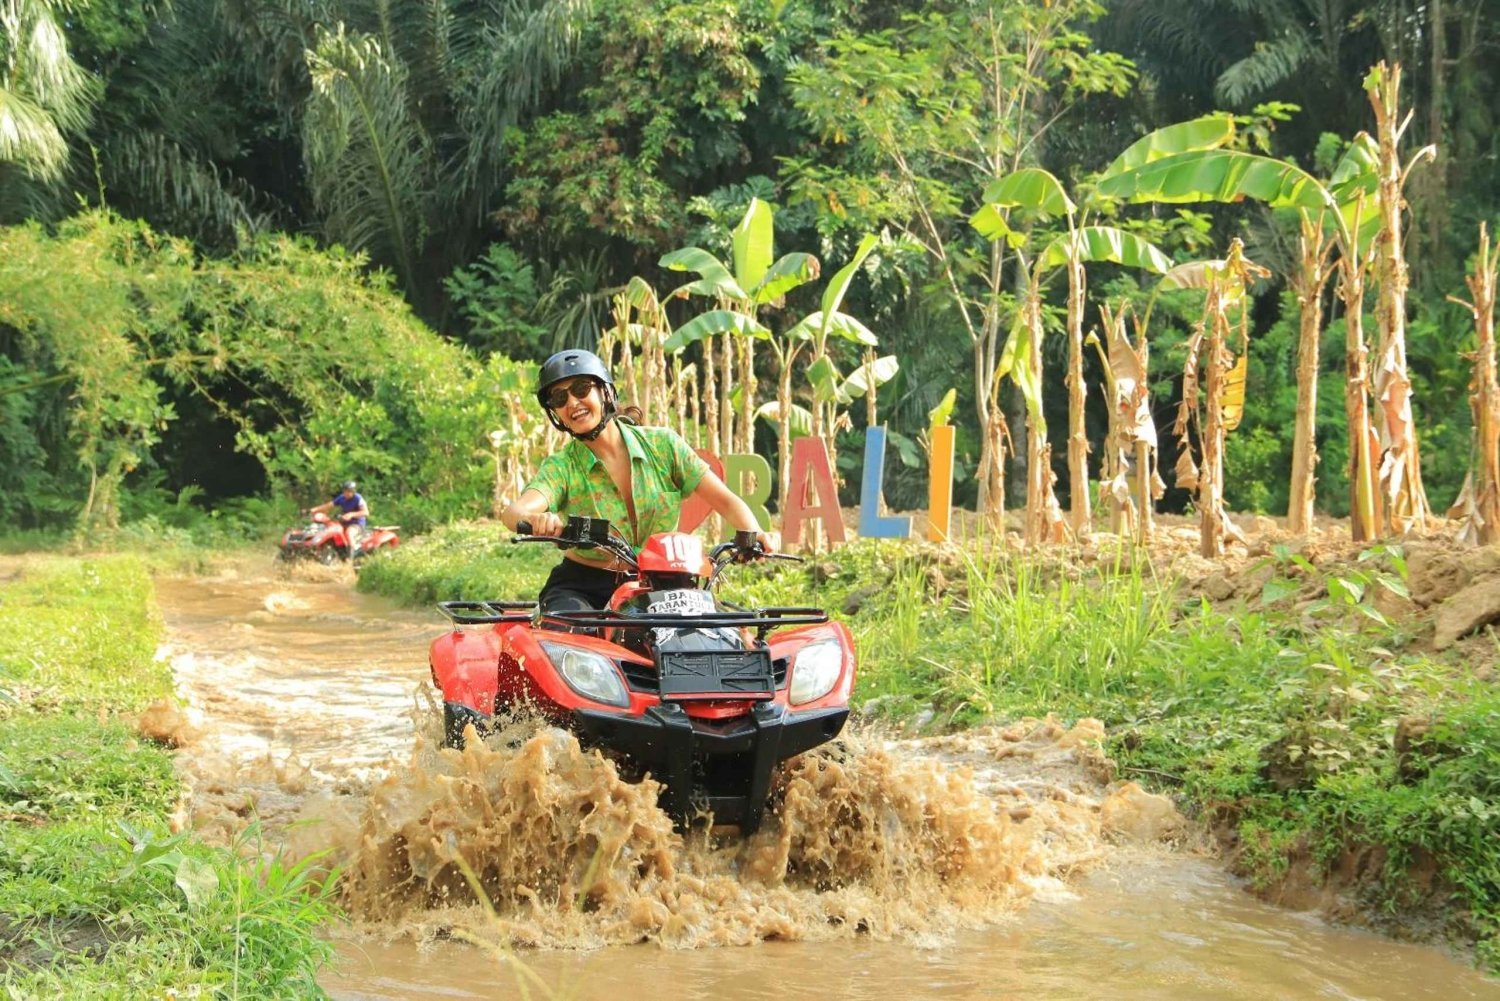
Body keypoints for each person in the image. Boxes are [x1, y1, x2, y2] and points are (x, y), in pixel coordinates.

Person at [502, 349, 773, 615]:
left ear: (605, 391)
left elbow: (725, 500)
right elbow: (514, 512)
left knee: (712, 640)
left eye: (582, 388)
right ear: (556, 413)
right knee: (566, 642)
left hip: (665, 582)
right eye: (560, 397)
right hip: (583, 587)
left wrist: (753, 532)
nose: (572, 402)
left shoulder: (663, 446)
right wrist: (538, 520)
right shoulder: (562, 467)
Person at [310, 481, 369, 555]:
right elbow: (329, 505)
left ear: (353, 491)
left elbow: (366, 512)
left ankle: (350, 557)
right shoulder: (342, 498)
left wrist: (351, 514)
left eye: (348, 491)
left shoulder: (358, 498)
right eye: (344, 491)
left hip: (357, 524)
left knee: (349, 533)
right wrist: (315, 509)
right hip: (343, 522)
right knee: (329, 528)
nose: (346, 493)